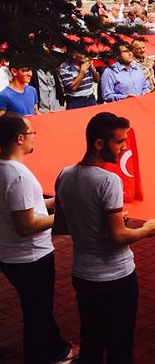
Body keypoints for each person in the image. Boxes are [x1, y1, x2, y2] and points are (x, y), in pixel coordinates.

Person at [54, 112, 155, 364]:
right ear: (99, 144)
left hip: (82, 273)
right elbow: (117, 235)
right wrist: (147, 229)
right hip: (115, 277)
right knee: (120, 343)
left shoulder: (64, 175)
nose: (124, 147)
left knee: (91, 337)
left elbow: (61, 225)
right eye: (119, 141)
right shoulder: (109, 181)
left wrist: (96, 223)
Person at [0, 113, 79, 364]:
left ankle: (55, 347)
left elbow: (24, 207)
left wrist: (56, 202)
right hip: (30, 256)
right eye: (31, 133)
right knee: (37, 311)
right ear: (19, 138)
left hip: (11, 253)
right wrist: (66, 218)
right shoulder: (18, 176)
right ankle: (46, 355)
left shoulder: (5, 169)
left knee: (37, 308)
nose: (34, 137)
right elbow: (26, 224)